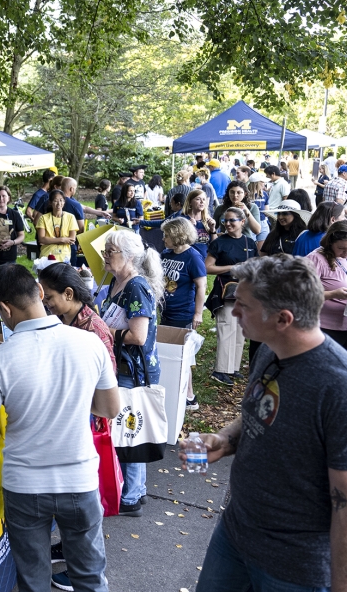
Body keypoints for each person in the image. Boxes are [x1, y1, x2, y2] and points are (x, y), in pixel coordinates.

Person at [183, 255, 347, 592]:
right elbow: (259, 411)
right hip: (236, 534)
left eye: (243, 306)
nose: (234, 312)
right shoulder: (272, 350)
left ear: (283, 319)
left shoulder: (344, 392)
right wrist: (226, 440)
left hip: (295, 566)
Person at [0, 264, 120, 592]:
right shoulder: (89, 343)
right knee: (91, 579)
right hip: (79, 480)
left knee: (33, 582)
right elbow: (110, 409)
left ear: (5, 309)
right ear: (40, 292)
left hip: (24, 486)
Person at [98, 229, 165, 517]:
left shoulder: (135, 286)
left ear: (127, 256)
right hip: (121, 367)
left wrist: (103, 331)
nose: (105, 256)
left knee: (130, 433)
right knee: (123, 431)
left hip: (134, 372)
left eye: (110, 252)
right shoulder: (116, 281)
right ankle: (132, 488)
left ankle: (132, 497)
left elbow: (138, 336)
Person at [205, 207, 259, 386]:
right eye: (224, 221)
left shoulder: (250, 242)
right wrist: (232, 267)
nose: (227, 224)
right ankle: (220, 370)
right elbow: (207, 267)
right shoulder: (219, 242)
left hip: (246, 292)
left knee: (240, 331)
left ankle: (233, 368)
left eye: (231, 220)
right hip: (225, 291)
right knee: (227, 328)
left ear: (242, 222)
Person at [160, 217, 207, 411]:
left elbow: (202, 286)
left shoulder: (193, 257)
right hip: (167, 311)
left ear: (178, 235)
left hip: (184, 313)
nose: (163, 238)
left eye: (166, 235)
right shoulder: (166, 254)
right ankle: (174, 389)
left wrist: (197, 314)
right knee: (169, 351)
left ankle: (189, 397)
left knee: (182, 355)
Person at [37, 263, 115, 368]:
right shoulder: (57, 319)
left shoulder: (95, 329)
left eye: (48, 297)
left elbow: (109, 374)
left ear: (68, 294)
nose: (44, 303)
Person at [308, 222, 347, 356]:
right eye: (341, 248)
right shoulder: (315, 259)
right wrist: (333, 294)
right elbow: (302, 294)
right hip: (325, 327)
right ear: (330, 243)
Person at [36, 189, 78, 262]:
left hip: (64, 256)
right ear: (50, 202)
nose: (59, 204)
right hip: (47, 256)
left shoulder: (70, 217)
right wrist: (62, 240)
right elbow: (42, 239)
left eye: (61, 200)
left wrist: (50, 240)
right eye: (55, 201)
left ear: (64, 202)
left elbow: (71, 239)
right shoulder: (43, 218)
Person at [181, 189, 216, 258]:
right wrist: (188, 228)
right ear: (190, 202)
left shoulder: (208, 219)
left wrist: (213, 230)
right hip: (188, 258)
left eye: (204, 199)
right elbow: (177, 242)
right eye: (198, 199)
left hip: (204, 259)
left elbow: (214, 245)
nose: (202, 202)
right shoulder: (183, 219)